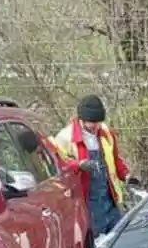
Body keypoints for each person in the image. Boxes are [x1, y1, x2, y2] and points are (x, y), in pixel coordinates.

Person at [51, 94, 135, 237]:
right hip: (87, 204)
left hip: (110, 201)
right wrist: (78, 165)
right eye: (92, 122)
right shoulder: (65, 138)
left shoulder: (106, 134)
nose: (96, 126)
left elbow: (114, 160)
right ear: (82, 119)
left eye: (99, 121)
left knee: (119, 240)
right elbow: (57, 166)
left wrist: (126, 175)